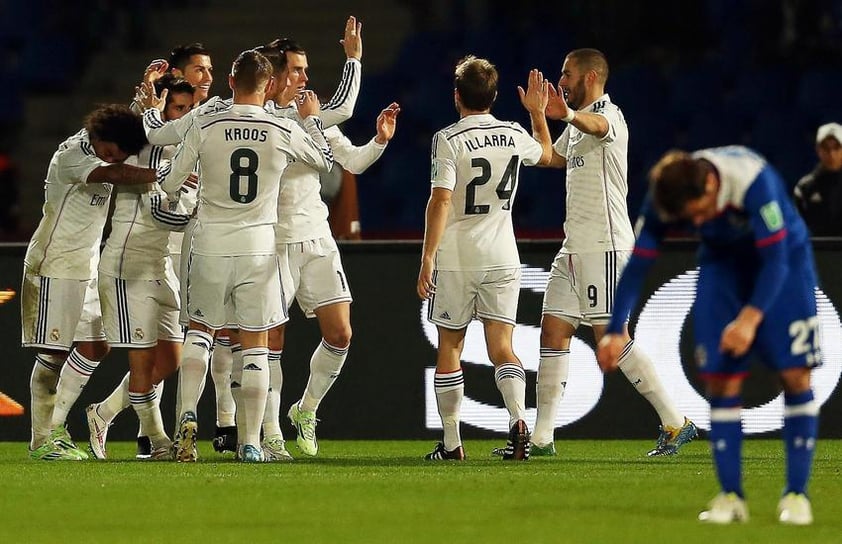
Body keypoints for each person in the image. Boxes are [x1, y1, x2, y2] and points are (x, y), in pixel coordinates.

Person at [598, 146, 820, 525]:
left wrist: (749, 320)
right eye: (690, 217)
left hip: (784, 263)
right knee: (720, 380)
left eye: (700, 210)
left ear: (712, 183)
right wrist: (616, 329)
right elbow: (639, 263)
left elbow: (776, 260)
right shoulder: (665, 194)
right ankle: (731, 496)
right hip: (722, 267)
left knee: (796, 375)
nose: (697, 220)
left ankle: (796, 496)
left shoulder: (753, 182)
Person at [515, 48, 695, 457]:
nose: (560, 80)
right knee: (553, 331)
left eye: (566, 73)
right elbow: (551, 157)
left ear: (591, 76)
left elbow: (597, 126)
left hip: (606, 245)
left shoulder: (609, 116)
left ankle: (675, 421)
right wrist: (539, 114)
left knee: (611, 338)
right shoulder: (575, 124)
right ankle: (543, 439)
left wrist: (565, 115)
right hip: (574, 246)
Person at [161, 49, 333, 463]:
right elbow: (325, 162)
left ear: (231, 83)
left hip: (210, 244)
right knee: (256, 345)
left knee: (200, 333)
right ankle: (251, 442)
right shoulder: (281, 127)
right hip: (259, 248)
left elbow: (168, 183)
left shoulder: (205, 122)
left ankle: (186, 421)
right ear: (270, 85)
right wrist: (309, 120)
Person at [417, 57, 552, 461]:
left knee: (450, 345)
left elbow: (440, 199)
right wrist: (537, 113)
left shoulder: (448, 139)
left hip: (458, 257)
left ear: (456, 96)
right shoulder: (512, 132)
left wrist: (427, 257)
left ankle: (453, 442)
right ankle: (517, 422)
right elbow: (545, 153)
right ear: (494, 96)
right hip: (503, 256)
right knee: (502, 347)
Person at [22, 104, 161, 460]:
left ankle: (56, 426)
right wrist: (160, 173)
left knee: (96, 346)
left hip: (85, 264)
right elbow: (114, 175)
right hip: (55, 263)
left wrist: (144, 102)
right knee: (53, 352)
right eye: (111, 153)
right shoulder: (72, 155)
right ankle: (42, 440)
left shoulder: (105, 137)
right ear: (98, 138)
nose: (113, 159)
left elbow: (123, 131)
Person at [255, 19, 365, 459]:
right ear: (277, 75)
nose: (305, 78)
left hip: (317, 236)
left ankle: (306, 408)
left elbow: (341, 119)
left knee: (340, 334)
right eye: (298, 70)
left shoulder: (305, 114)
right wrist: (353, 59)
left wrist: (354, 61)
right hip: (273, 241)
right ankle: (271, 433)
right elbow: (341, 107)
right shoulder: (261, 116)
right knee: (271, 341)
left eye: (305, 70)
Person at [86, 75, 196, 460]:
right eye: (178, 109)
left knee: (172, 358)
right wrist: (198, 210)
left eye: (189, 108)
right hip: (127, 265)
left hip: (159, 264)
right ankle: (158, 440)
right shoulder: (139, 146)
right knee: (143, 360)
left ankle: (102, 413)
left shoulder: (182, 148)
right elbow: (163, 213)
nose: (185, 115)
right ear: (161, 108)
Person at [793, 122, 842, 236]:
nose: (831, 153)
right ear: (818, 150)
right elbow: (797, 230)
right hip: (816, 252)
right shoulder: (804, 188)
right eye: (825, 147)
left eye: (837, 147)